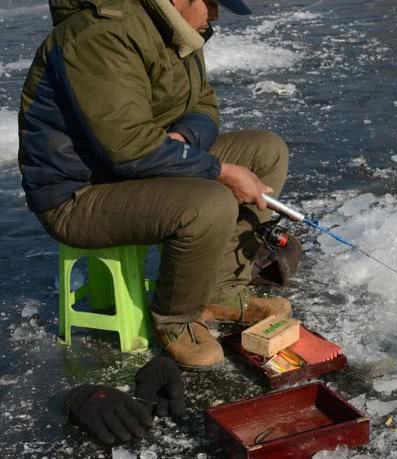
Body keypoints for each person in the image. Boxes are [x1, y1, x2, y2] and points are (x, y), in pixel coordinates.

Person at [18, 0, 294, 370]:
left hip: (139, 168)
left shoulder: (176, 30)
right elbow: (126, 148)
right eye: (211, 3)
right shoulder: (100, 36)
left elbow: (205, 105)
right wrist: (219, 170)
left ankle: (219, 292)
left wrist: (182, 136)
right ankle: (176, 320)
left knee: (265, 152)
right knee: (209, 201)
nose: (214, 15)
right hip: (79, 193)